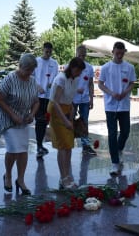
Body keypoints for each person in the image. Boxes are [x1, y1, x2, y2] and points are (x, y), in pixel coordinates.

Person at [0, 53, 39, 195]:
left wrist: (32, 114)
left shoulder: (32, 81)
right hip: (8, 118)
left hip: (23, 119)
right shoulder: (10, 79)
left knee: (23, 149)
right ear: (20, 66)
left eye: (31, 71)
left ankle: (20, 180)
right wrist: (13, 115)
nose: (29, 74)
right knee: (14, 148)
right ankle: (7, 175)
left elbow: (36, 101)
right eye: (27, 70)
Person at [98, 41, 136, 176]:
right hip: (110, 105)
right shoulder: (106, 67)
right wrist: (111, 93)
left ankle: (119, 149)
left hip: (124, 105)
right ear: (113, 51)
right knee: (112, 134)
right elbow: (100, 84)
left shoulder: (130, 67)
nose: (119, 55)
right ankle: (115, 163)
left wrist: (126, 92)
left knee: (125, 131)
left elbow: (132, 83)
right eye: (117, 53)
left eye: (122, 53)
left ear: (124, 52)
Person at [47, 57, 85, 189]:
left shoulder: (75, 79)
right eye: (79, 71)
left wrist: (71, 115)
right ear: (73, 68)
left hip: (67, 109)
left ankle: (67, 176)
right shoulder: (61, 79)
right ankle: (63, 178)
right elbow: (55, 102)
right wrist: (65, 120)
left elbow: (70, 98)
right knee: (63, 145)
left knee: (68, 145)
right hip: (57, 111)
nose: (80, 74)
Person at [34, 42, 59, 158]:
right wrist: (37, 86)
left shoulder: (54, 63)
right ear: (42, 50)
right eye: (46, 51)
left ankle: (41, 144)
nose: (48, 54)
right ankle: (39, 145)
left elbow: (56, 78)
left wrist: (52, 84)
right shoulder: (36, 61)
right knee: (39, 121)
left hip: (49, 97)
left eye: (50, 52)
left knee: (45, 121)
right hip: (38, 96)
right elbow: (31, 76)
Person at [72, 45, 96, 155]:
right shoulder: (70, 66)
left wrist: (91, 99)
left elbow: (91, 84)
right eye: (79, 55)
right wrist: (76, 90)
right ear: (76, 54)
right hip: (72, 99)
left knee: (84, 122)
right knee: (70, 120)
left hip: (85, 100)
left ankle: (85, 145)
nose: (82, 57)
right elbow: (67, 83)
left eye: (84, 55)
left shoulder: (89, 67)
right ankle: (68, 142)